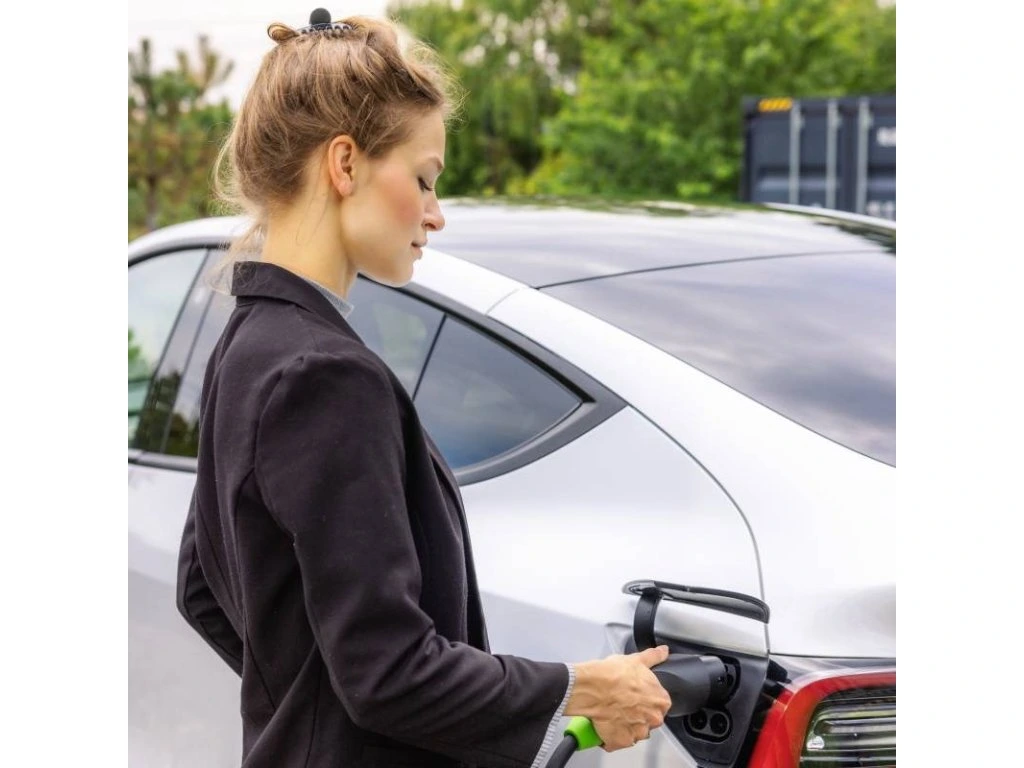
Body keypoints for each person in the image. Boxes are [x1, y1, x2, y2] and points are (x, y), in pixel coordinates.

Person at [176, 9, 672, 768]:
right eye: (424, 180)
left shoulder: (246, 343)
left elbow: (202, 590)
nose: (436, 216)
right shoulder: (328, 377)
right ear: (345, 164)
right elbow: (388, 672)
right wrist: (580, 690)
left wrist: (307, 709)